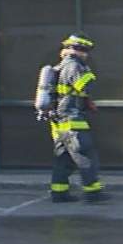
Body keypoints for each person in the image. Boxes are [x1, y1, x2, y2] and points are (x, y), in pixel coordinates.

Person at [48, 34, 108, 203]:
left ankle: (59, 193)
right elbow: (83, 85)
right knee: (85, 156)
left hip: (61, 122)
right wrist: (89, 74)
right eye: (85, 51)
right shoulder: (73, 66)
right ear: (78, 51)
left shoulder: (60, 67)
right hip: (73, 120)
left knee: (64, 159)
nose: (86, 55)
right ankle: (93, 193)